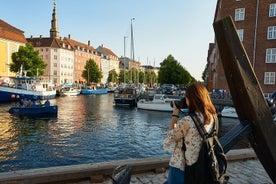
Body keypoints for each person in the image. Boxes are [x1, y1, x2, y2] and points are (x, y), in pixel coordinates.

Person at [163, 82, 217, 184]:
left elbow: (168, 140)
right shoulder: (212, 117)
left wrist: (175, 114)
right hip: (201, 166)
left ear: (191, 99)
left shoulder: (187, 121)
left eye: (186, 97)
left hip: (181, 168)